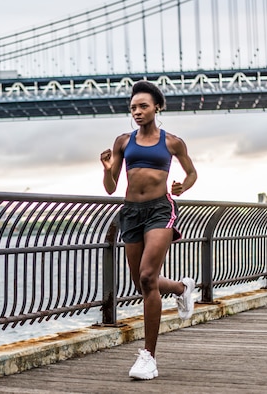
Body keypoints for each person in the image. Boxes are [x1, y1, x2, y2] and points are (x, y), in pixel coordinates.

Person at [100, 80, 197, 380]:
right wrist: (106, 171)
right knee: (141, 282)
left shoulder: (172, 142)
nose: (138, 112)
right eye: (133, 108)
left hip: (159, 210)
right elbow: (111, 188)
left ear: (157, 107)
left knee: (146, 277)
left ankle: (149, 357)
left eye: (143, 106)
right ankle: (183, 288)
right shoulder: (122, 142)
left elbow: (191, 172)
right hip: (131, 213)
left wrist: (183, 186)